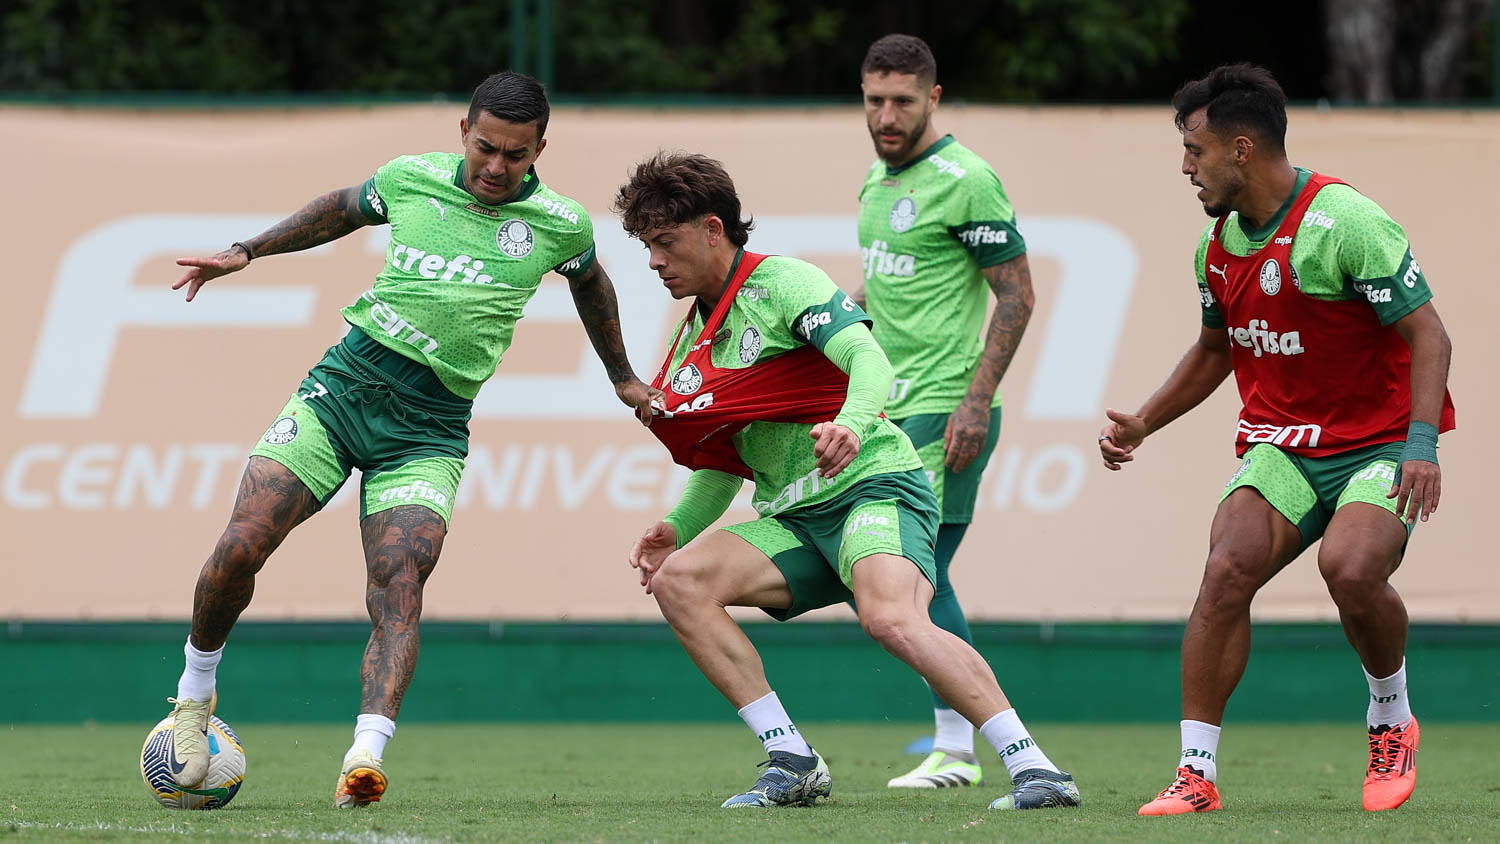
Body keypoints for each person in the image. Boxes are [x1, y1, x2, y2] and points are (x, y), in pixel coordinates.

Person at [163, 71, 657, 808]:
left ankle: (365, 756)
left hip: (427, 430)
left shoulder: (560, 223)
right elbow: (339, 210)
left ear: (540, 150)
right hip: (341, 394)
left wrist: (622, 375)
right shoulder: (412, 178)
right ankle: (192, 700)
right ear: (464, 132)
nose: (495, 167)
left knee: (399, 585)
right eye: (485, 148)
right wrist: (248, 251)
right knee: (242, 543)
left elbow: (592, 285)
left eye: (514, 156)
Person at [618, 152, 1080, 811]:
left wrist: (854, 426)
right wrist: (677, 527)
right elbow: (725, 462)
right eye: (647, 247)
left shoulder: (782, 284)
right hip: (797, 519)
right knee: (679, 580)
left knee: (889, 615)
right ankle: (792, 759)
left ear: (712, 230)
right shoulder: (697, 339)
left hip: (873, 485)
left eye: (664, 243)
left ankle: (1037, 770)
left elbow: (867, 358)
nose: (655, 261)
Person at [1099, 63, 1455, 816]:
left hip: (1380, 443)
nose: (1184, 167)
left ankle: (1391, 717)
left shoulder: (1346, 221)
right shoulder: (1217, 248)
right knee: (1225, 568)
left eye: (1193, 151)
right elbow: (1214, 350)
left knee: (1350, 569)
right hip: (1284, 446)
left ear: (1240, 149)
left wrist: (1421, 443)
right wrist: (1144, 421)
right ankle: (1196, 775)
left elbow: (1430, 335)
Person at [851, 33, 1036, 790]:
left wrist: (975, 401)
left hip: (944, 409)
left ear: (933, 98)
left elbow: (1018, 296)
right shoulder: (875, 180)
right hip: (890, 413)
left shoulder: (966, 180)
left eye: (901, 101)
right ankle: (960, 744)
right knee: (924, 580)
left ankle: (960, 748)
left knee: (918, 580)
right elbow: (881, 290)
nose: (886, 116)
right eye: (873, 101)